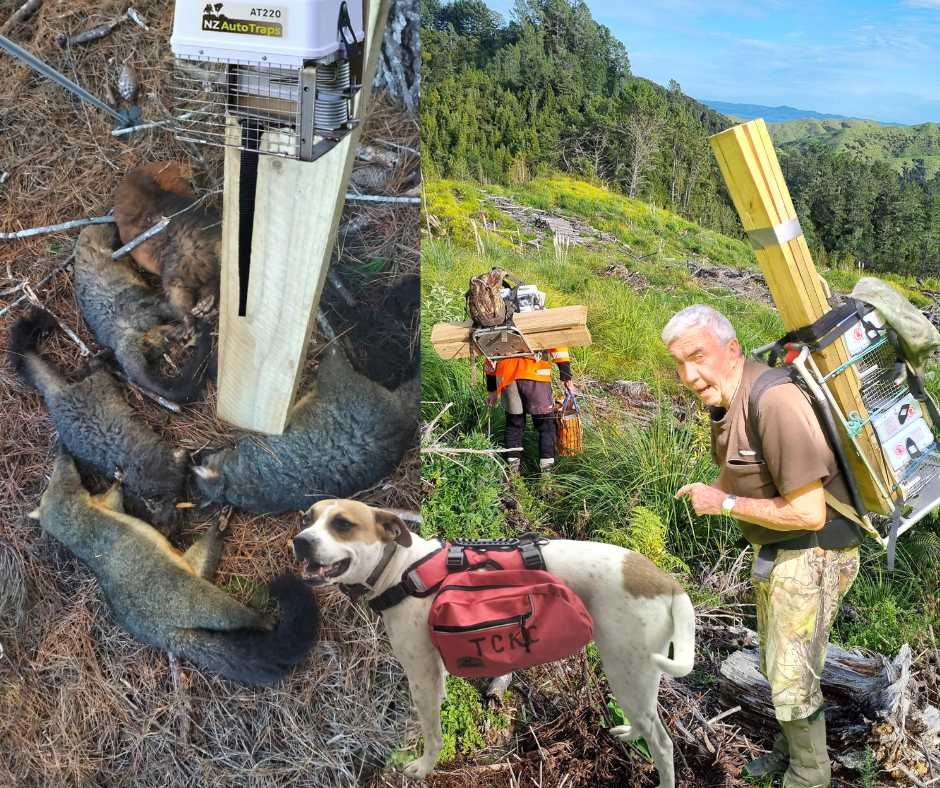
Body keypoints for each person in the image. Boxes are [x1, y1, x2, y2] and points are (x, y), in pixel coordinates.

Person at [664, 304, 864, 788]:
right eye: (679, 362)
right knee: (781, 665)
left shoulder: (772, 401)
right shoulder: (727, 400)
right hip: (784, 551)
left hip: (814, 549)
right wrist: (721, 490)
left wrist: (725, 503)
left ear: (731, 351)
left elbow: (810, 511)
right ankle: (790, 751)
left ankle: (810, 774)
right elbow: (745, 467)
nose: (690, 374)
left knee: (791, 674)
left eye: (698, 356)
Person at [485, 347, 574, 474]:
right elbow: (558, 346)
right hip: (535, 371)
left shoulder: (497, 325)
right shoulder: (540, 325)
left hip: (507, 375)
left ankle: (513, 473)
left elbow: (489, 353)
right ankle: (547, 475)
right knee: (546, 425)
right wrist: (567, 377)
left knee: (514, 425)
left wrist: (492, 389)